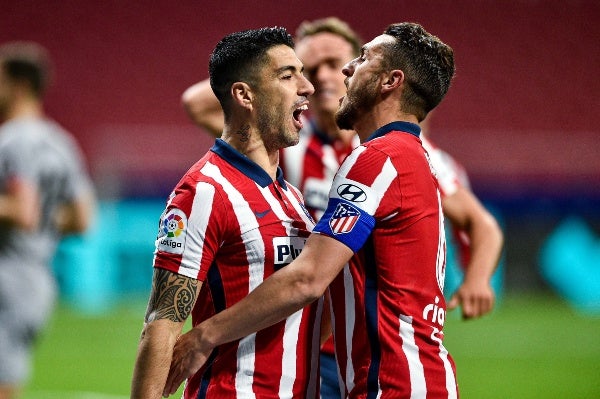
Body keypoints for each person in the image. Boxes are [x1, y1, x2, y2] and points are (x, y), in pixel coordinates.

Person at [181, 18, 503, 399]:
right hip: (375, 368)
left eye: (359, 59)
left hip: (391, 382)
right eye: (302, 70)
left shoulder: (379, 158)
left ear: (389, 81)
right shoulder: (402, 153)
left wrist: (205, 336)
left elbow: (309, 278)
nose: (340, 72)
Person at [130, 27, 319, 399]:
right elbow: (162, 324)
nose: (307, 86)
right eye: (287, 75)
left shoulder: (291, 197)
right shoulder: (204, 191)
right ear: (244, 95)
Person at [0, 42, 95, 399]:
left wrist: (27, 215)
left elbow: (22, 211)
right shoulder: (61, 142)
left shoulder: (10, 141)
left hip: (7, 278)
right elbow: (83, 218)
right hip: (37, 279)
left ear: (19, 84)